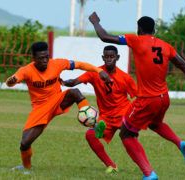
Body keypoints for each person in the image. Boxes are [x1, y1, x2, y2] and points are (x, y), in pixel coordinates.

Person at [89, 12, 185, 179]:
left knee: (126, 134)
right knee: (155, 123)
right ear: (154, 30)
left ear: (139, 29)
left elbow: (104, 37)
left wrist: (95, 22)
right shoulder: (166, 46)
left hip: (147, 99)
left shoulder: (136, 40)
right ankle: (180, 143)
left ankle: (149, 173)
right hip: (164, 98)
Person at [6, 41, 111, 174]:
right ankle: (26, 168)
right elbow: (13, 80)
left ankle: (93, 124)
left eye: (46, 57)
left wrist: (99, 71)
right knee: (24, 143)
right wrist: (11, 81)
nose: (45, 61)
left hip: (57, 100)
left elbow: (80, 64)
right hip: (40, 109)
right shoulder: (26, 70)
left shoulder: (57, 63)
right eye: (41, 58)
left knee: (74, 92)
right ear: (33, 58)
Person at [62, 45, 137, 174]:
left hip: (123, 113)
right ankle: (111, 165)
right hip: (106, 116)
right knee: (90, 135)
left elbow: (137, 97)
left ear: (117, 58)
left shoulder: (125, 78)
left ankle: (145, 168)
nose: (109, 59)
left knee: (130, 140)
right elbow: (75, 82)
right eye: (106, 57)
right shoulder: (95, 73)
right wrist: (62, 82)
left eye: (112, 57)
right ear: (103, 57)